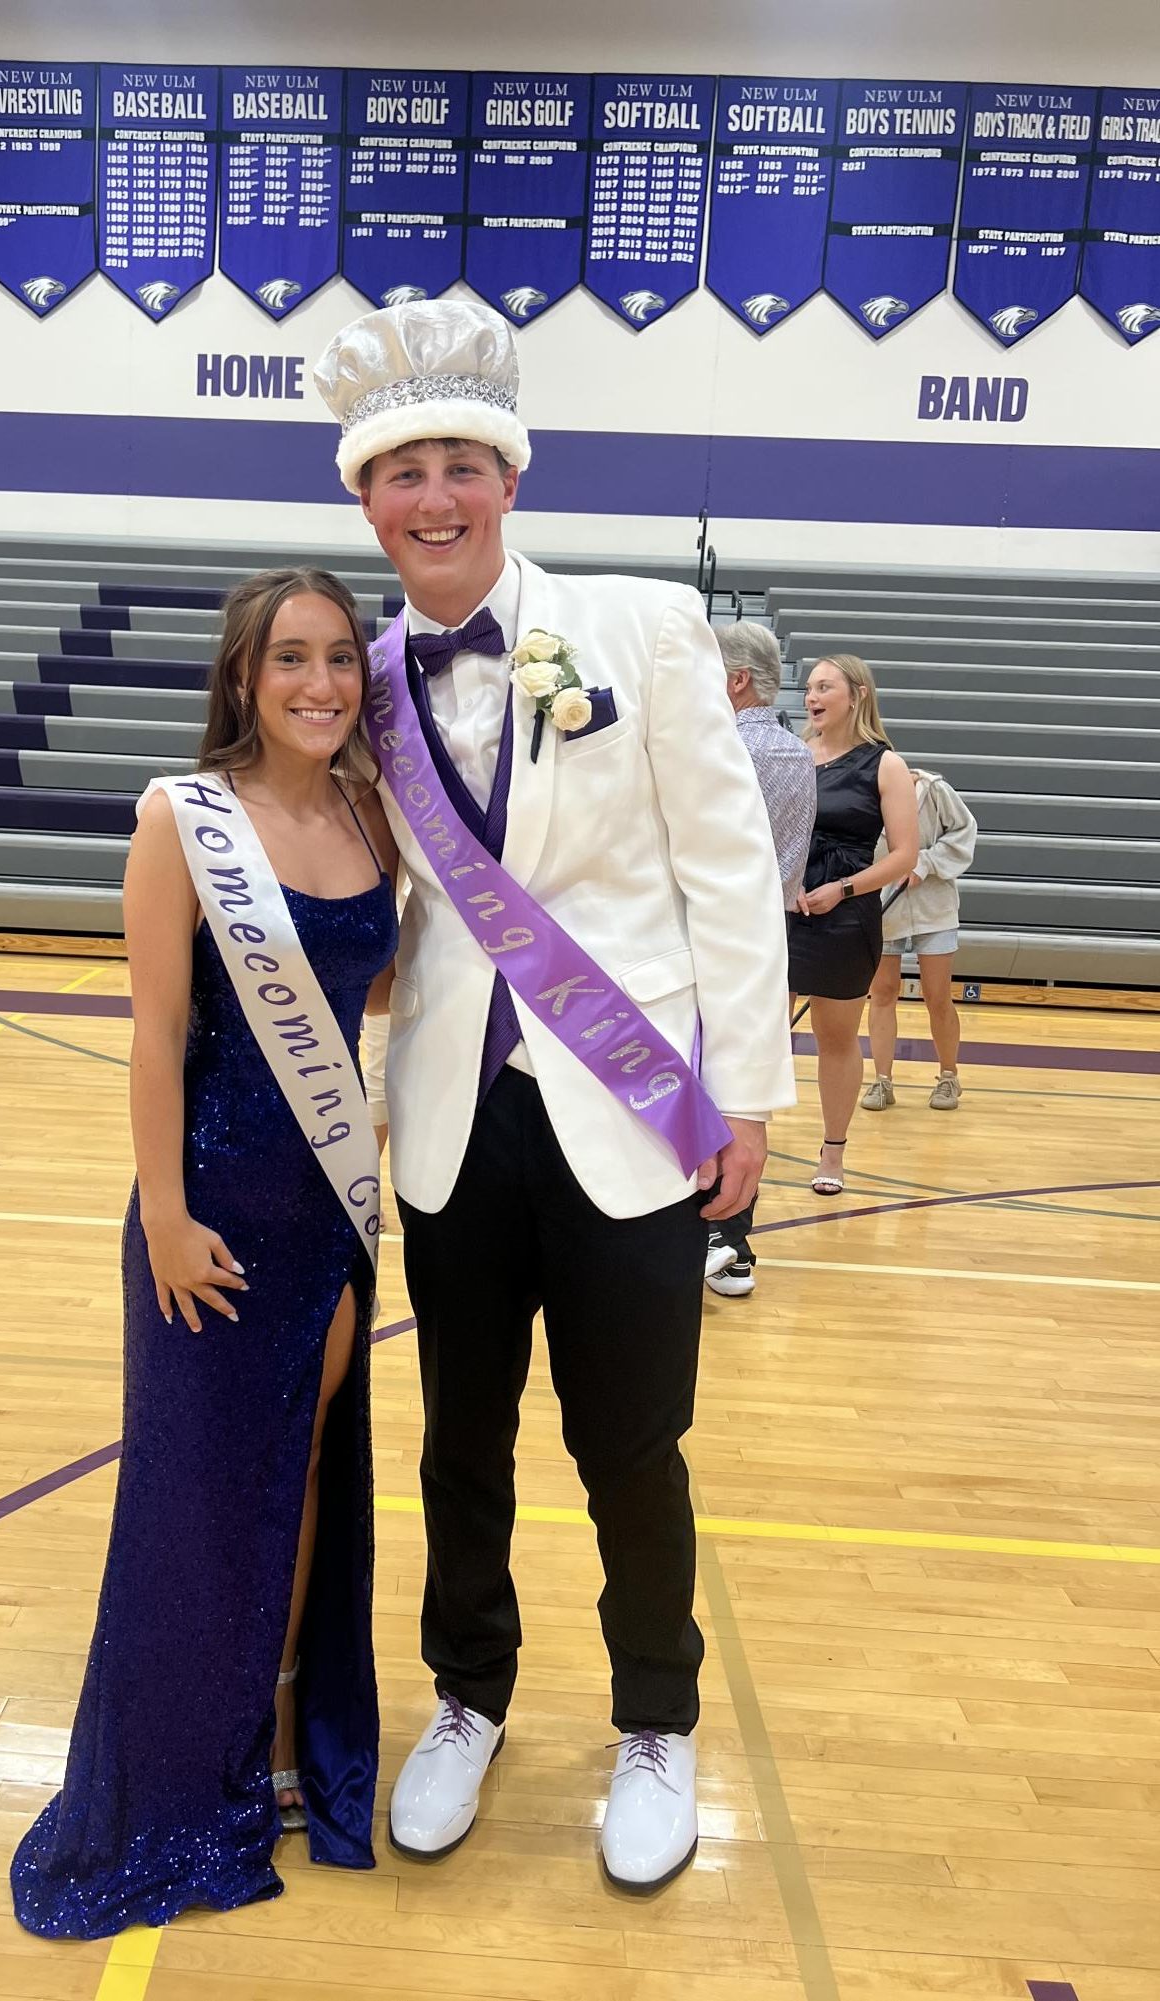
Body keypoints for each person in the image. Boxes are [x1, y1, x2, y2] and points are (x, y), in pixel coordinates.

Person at [313, 300, 793, 1895]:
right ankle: (467, 1697)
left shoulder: (646, 628)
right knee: (462, 1438)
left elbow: (727, 872)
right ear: (365, 503)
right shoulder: (353, 681)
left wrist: (745, 1095)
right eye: (401, 474)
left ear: (507, 480)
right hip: (452, 1114)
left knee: (632, 1443)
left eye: (459, 465)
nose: (433, 497)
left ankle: (656, 1720)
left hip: (634, 1109)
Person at [11, 570, 398, 1938]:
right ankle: (177, 1771)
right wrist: (165, 1213)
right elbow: (159, 1032)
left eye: (341, 658)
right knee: (193, 1501)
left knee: (295, 1480)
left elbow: (382, 991)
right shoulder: (186, 820)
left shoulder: (370, 812)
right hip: (212, 1216)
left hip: (328, 1217)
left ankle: (278, 1737)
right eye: (289, 658)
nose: (318, 683)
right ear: (242, 675)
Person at [705, 622, 816, 1297]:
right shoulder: (798, 754)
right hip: (767, 938)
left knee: (694, 1079)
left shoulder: (716, 748)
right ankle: (732, 1242)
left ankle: (700, 1232)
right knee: (743, 1090)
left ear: (735, 679)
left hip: (706, 933)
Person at [787, 654, 919, 1196]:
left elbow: (904, 856)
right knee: (759, 1031)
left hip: (846, 913)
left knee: (835, 1037)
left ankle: (833, 1151)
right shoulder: (790, 754)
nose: (812, 697)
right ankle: (741, 1138)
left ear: (856, 694)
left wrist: (841, 889)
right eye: (809, 688)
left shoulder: (885, 764)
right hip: (782, 907)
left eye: (825, 687)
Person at [864, 768, 978, 1112]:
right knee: (882, 992)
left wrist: (924, 863)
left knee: (937, 994)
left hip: (935, 909)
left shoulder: (934, 790)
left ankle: (948, 1076)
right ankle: (882, 1080)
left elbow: (964, 832)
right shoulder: (864, 795)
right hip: (884, 907)